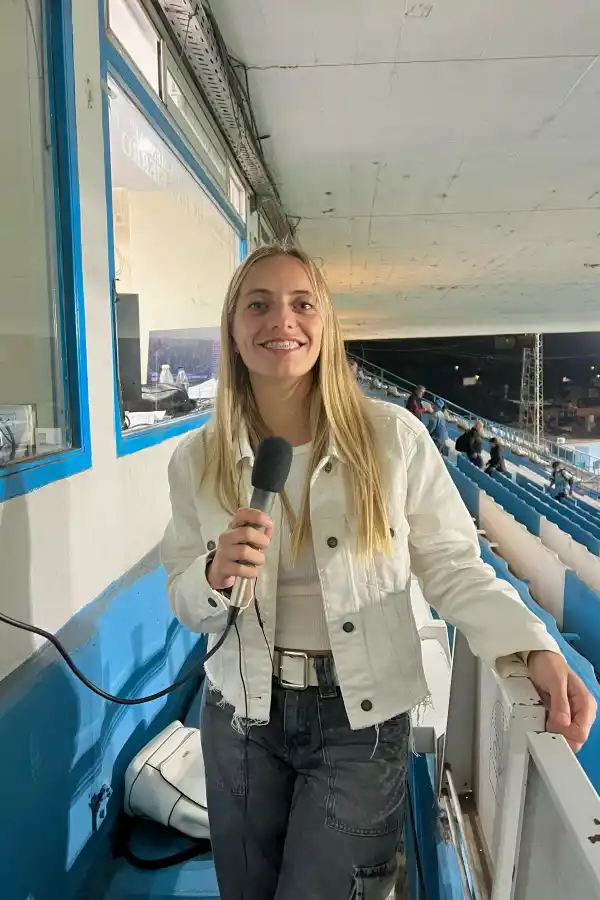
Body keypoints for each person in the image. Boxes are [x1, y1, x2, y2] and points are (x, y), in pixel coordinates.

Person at [161, 244, 596, 900]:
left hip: (358, 722)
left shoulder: (391, 438)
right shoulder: (195, 460)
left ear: (326, 326)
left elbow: (453, 566)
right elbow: (183, 599)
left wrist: (528, 642)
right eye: (259, 304)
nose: (282, 319)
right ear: (233, 330)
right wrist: (214, 575)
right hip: (239, 716)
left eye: (302, 303)